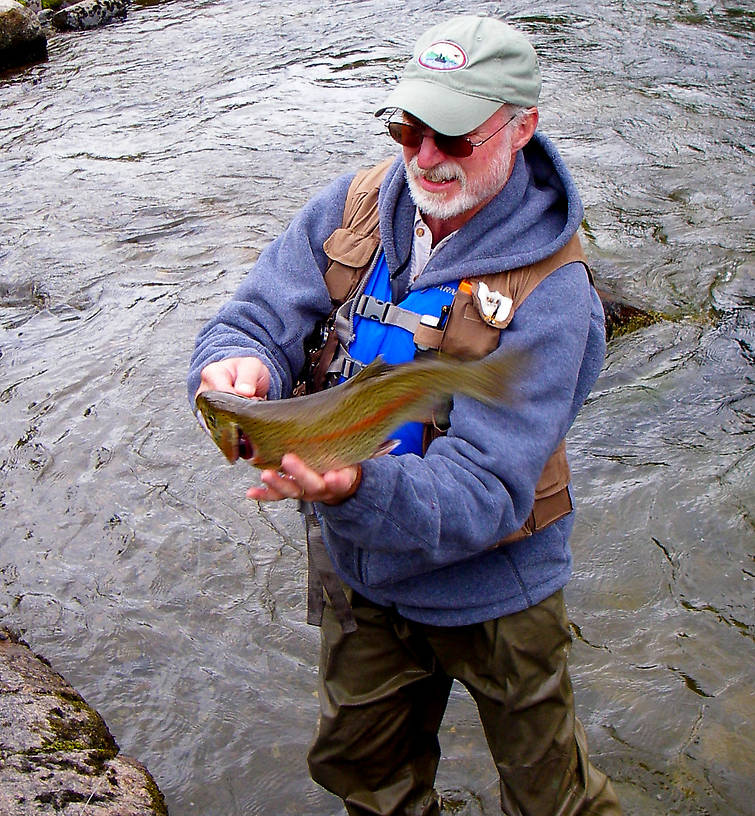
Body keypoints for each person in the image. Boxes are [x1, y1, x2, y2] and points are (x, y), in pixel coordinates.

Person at [188, 15, 623, 816]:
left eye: (452, 137)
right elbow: (250, 318)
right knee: (366, 780)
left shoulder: (557, 296)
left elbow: (489, 489)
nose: (423, 157)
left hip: (495, 593)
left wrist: (354, 487)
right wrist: (237, 362)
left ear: (522, 128)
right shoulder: (352, 205)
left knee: (550, 802)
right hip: (362, 577)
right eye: (407, 127)